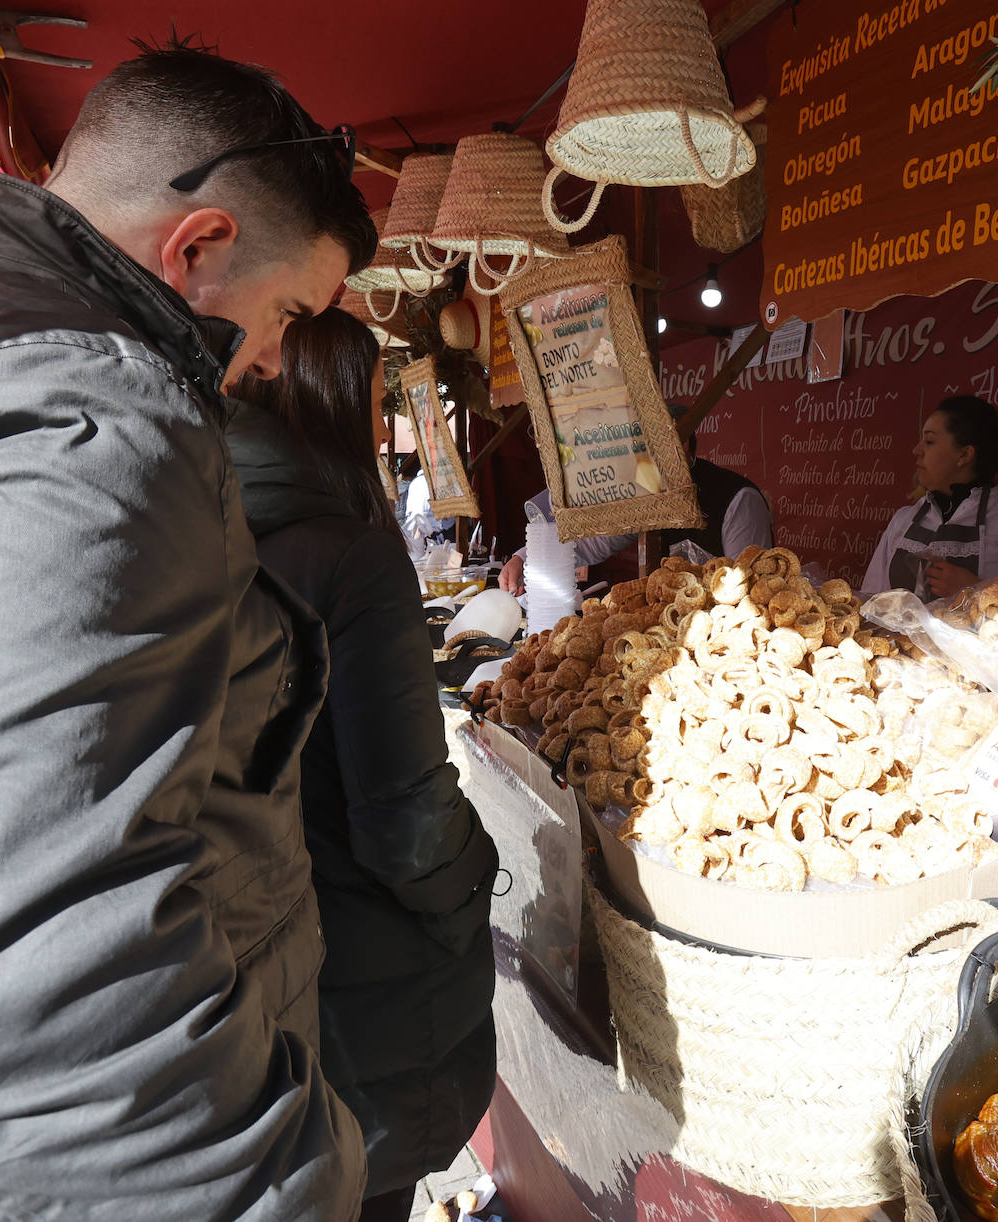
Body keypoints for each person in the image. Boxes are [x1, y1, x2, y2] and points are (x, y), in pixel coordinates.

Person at [0, 41, 376, 1219]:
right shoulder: (92, 432)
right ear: (197, 251)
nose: (279, 357)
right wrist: (292, 1182)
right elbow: (40, 987)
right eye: (289, 311)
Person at [228, 308, 499, 1222]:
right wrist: (479, 888)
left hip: (246, 979)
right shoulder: (354, 557)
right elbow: (410, 823)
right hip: (364, 990)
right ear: (340, 401)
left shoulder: (192, 532)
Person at [499, 404, 773, 593]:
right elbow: (591, 542)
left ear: (682, 446)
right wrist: (523, 560)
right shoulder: (648, 492)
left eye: (642, 450)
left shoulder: (738, 501)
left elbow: (749, 586)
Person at [862, 396, 998, 599]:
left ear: (964, 455)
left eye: (930, 441)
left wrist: (976, 590)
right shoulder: (903, 520)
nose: (917, 450)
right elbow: (871, 600)